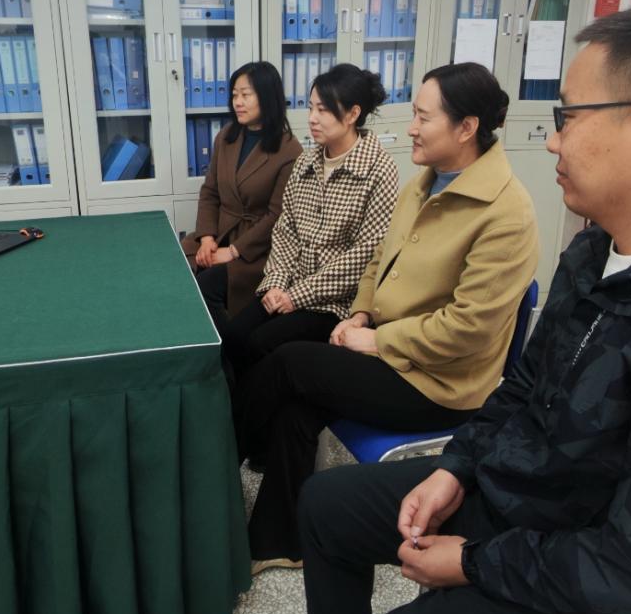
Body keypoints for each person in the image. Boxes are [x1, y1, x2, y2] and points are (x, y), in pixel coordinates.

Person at [260, 2, 631, 614]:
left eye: (569, 117)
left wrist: (472, 563)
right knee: (326, 506)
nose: (553, 141)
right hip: (521, 504)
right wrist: (455, 469)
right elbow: (524, 386)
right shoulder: (597, 249)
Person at [240, 62, 539, 573]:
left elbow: (468, 329)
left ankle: (210, 471)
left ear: (466, 128)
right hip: (392, 351)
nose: (411, 128)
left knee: (288, 362)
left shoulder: (506, 213)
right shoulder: (425, 184)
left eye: (423, 117)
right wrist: (360, 314)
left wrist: (378, 341)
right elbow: (380, 260)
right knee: (294, 404)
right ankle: (277, 540)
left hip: (435, 383)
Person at [220, 63, 399, 388]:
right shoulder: (306, 161)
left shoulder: (379, 169)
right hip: (287, 285)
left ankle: (253, 412)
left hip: (333, 302)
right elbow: (285, 229)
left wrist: (296, 296)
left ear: (353, 114)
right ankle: (241, 407)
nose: (312, 118)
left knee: (261, 344)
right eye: (311, 107)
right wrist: (276, 284)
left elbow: (364, 256)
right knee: (232, 335)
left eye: (323, 110)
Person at [181, 62, 303, 330]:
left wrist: (234, 251)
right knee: (178, 270)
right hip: (220, 233)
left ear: (267, 97)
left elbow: (276, 216)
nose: (238, 102)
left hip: (258, 249)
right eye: (235, 94)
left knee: (207, 286)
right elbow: (210, 191)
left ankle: (227, 351)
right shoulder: (226, 136)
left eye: (246, 95)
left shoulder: (289, 150)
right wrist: (207, 238)